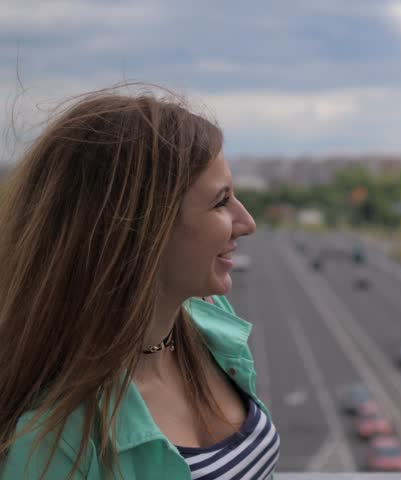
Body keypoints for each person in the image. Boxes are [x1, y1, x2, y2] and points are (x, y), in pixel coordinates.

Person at [0, 87, 280, 479]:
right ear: (144, 230)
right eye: (221, 202)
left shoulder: (208, 323)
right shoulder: (53, 446)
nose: (246, 222)